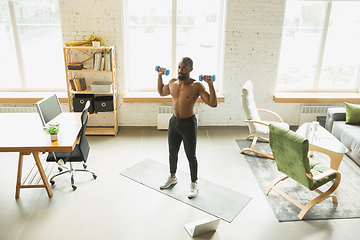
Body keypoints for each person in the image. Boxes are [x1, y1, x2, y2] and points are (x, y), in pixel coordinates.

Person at [157, 57, 217, 198]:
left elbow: (213, 103)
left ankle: (194, 183)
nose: (180, 70)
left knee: (191, 155)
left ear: (191, 69)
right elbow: (161, 91)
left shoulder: (196, 86)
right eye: (179, 67)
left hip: (188, 124)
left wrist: (211, 85)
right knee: (172, 152)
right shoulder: (172, 83)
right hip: (174, 122)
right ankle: (172, 177)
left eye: (183, 68)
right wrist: (159, 76)